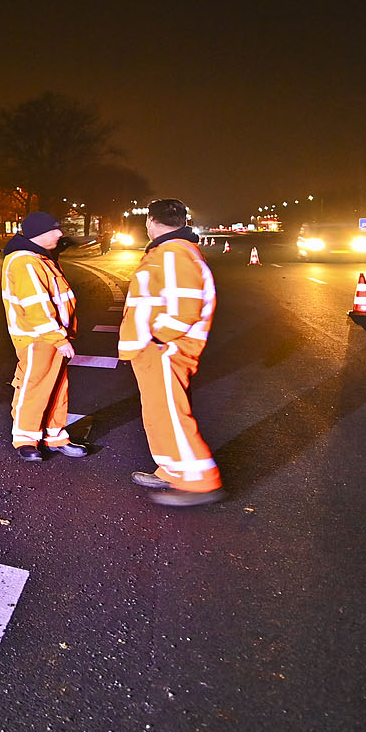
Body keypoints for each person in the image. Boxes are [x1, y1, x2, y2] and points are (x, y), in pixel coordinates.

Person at [118, 198, 224, 506]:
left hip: (165, 349)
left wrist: (157, 338)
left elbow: (185, 308)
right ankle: (172, 469)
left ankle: (200, 481)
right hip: (158, 349)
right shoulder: (172, 251)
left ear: (150, 222)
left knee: (172, 415)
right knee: (159, 413)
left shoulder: (174, 253)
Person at [0, 211, 92, 461]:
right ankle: (25, 439)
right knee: (35, 386)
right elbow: (36, 306)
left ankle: (54, 435)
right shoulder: (25, 262)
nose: (60, 234)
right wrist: (58, 339)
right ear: (38, 234)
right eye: (54, 230)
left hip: (48, 336)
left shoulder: (39, 258)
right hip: (37, 338)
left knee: (56, 387)